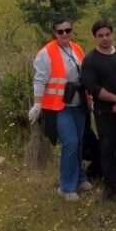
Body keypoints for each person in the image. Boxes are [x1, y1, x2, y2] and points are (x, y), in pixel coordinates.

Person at [28, 17, 89, 201]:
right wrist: (37, 104)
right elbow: (40, 80)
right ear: (54, 33)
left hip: (78, 103)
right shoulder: (46, 53)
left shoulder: (77, 49)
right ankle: (66, 187)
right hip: (57, 105)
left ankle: (79, 176)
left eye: (68, 30)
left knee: (78, 142)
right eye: (60, 31)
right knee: (70, 142)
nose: (65, 34)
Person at [80, 21, 116, 201]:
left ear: (112, 34)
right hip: (105, 113)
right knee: (107, 149)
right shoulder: (90, 60)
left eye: (107, 34)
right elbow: (92, 87)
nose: (105, 38)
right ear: (95, 37)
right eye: (100, 35)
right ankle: (110, 187)